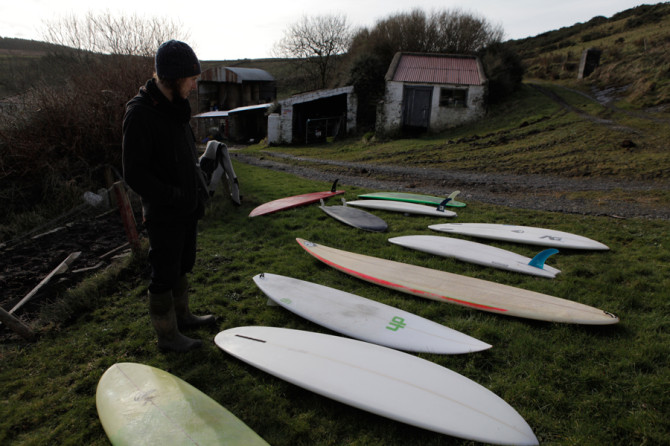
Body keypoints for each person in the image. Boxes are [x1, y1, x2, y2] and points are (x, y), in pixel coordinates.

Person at [122, 40, 214, 352]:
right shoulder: (140, 115)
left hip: (187, 206)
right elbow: (134, 174)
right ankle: (167, 336)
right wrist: (173, 195)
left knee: (182, 264)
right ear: (174, 79)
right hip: (164, 212)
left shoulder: (176, 109)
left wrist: (199, 179)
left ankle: (183, 317)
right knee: (163, 274)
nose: (194, 84)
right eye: (191, 79)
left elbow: (183, 156)